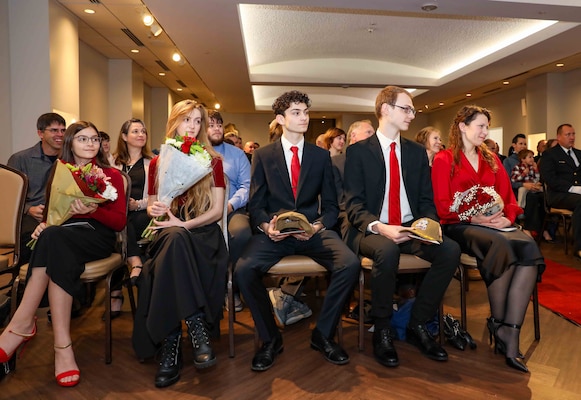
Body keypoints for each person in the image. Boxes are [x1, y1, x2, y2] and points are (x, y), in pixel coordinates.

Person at [235, 90, 359, 372]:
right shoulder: (263, 156)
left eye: (305, 112)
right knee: (243, 270)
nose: (304, 118)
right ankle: (270, 339)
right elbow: (256, 204)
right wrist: (268, 227)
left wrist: (316, 227)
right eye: (296, 113)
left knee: (349, 264)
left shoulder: (320, 156)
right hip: (276, 234)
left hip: (312, 232)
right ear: (280, 119)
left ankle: (323, 334)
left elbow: (330, 206)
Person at [0, 121, 127, 387]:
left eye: (94, 139)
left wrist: (92, 211)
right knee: (53, 237)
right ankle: (62, 346)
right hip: (61, 237)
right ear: (70, 143)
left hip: (96, 235)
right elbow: (51, 215)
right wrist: (44, 225)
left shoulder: (111, 175)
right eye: (82, 139)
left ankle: (22, 323)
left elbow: (118, 223)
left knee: (54, 240)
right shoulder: (59, 173)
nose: (90, 143)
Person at [344, 85, 459, 368]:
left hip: (410, 227)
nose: (412, 114)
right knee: (387, 250)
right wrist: (381, 227)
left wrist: (428, 224)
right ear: (386, 110)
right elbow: (353, 205)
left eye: (413, 109)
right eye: (406, 108)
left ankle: (417, 323)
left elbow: (425, 199)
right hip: (369, 229)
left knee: (450, 250)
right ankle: (382, 329)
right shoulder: (358, 152)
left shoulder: (415, 152)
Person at [432, 105, 544, 373]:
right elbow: (442, 205)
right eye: (480, 126)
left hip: (496, 224)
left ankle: (508, 330)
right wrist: (474, 218)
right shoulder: (444, 159)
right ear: (462, 126)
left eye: (486, 127)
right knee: (502, 245)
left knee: (527, 244)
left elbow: (508, 198)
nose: (485, 131)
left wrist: (508, 216)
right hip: (459, 225)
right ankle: (500, 323)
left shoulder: (491, 159)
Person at [132, 100, 227, 388]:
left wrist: (183, 224)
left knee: (174, 241)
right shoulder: (160, 161)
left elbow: (217, 210)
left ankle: (170, 345)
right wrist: (157, 211)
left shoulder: (212, 161)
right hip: (167, 230)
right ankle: (195, 324)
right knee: (172, 240)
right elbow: (151, 205)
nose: (193, 126)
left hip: (201, 232)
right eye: (187, 120)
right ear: (174, 122)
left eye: (198, 121)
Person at [107, 118, 154, 319]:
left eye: (143, 131)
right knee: (118, 224)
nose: (141, 134)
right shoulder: (111, 162)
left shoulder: (152, 163)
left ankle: (117, 290)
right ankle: (136, 264)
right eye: (135, 131)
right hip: (118, 213)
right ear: (124, 137)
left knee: (126, 225)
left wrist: (138, 204)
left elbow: (156, 195)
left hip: (142, 213)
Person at [7, 113, 66, 268]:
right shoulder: (20, 159)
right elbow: (9, 198)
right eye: (54, 130)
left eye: (63, 130)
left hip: (62, 215)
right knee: (32, 235)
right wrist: (28, 209)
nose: (60, 135)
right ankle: (24, 282)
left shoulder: (69, 160)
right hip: (30, 216)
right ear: (40, 133)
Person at [207, 110, 252, 312]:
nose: (217, 129)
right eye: (211, 125)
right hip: (202, 211)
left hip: (231, 209)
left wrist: (230, 205)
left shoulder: (237, 154)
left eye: (219, 124)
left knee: (241, 233)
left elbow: (246, 186)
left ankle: (232, 286)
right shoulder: (193, 152)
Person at [539, 123, 581, 259]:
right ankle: (579, 248)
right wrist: (573, 188)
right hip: (558, 195)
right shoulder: (550, 154)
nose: (572, 137)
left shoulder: (579, 153)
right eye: (568, 134)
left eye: (573, 134)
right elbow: (549, 178)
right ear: (559, 137)